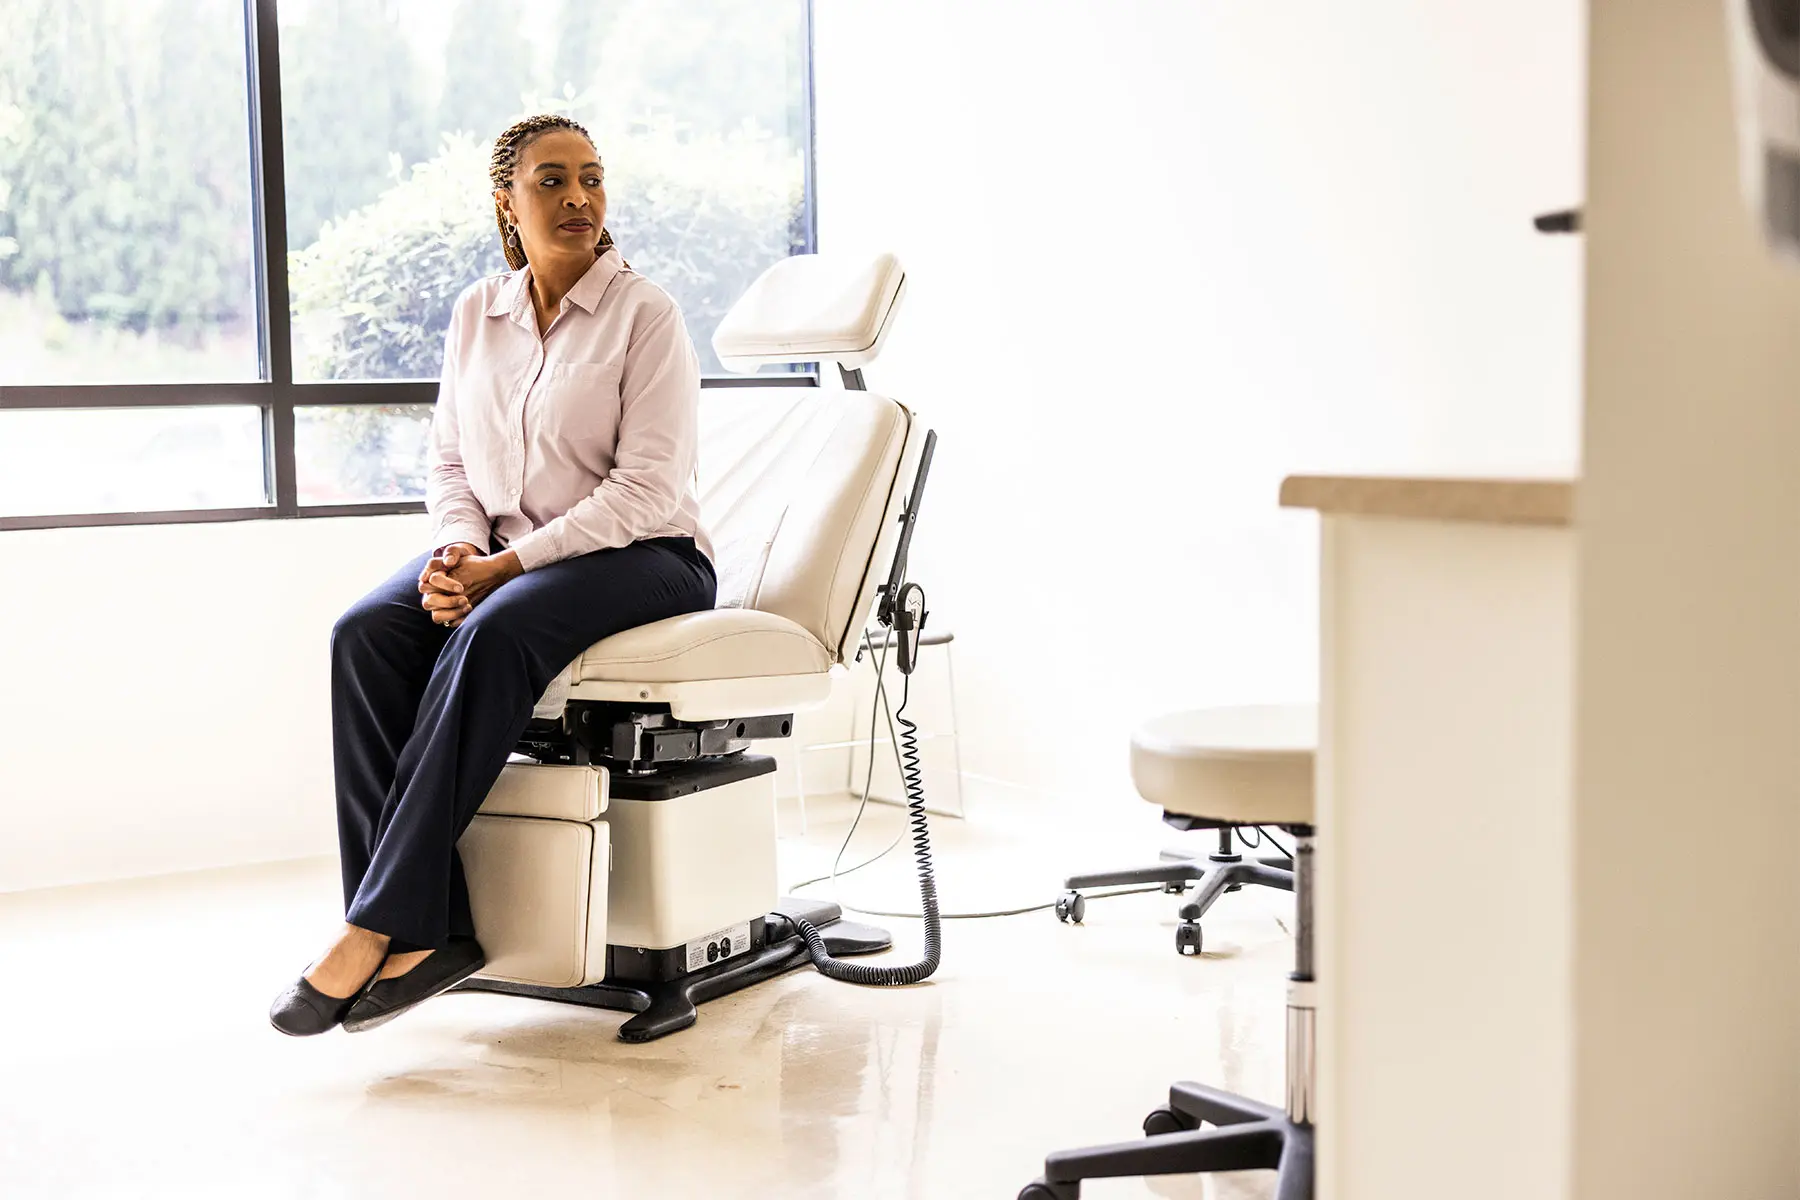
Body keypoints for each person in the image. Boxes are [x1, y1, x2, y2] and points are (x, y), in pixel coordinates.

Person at [270, 114, 717, 1036]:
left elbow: (646, 489)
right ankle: (430, 931)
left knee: (493, 627)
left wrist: (501, 571)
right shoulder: (480, 312)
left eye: (592, 178)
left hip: (647, 556)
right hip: (507, 554)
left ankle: (372, 924)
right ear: (507, 202)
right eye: (551, 181)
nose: (578, 198)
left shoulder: (647, 315)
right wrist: (459, 551)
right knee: (366, 632)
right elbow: (450, 462)